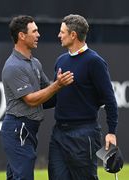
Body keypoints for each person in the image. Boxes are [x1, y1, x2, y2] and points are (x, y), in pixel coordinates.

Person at [0, 15, 74, 180]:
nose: (38, 35)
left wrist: (78, 94)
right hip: (17, 129)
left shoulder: (35, 63)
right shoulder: (13, 66)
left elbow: (48, 95)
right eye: (34, 31)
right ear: (21, 35)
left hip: (28, 130)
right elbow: (32, 100)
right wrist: (58, 85)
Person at [47, 14, 119, 180]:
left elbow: (109, 99)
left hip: (83, 134)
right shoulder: (61, 60)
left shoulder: (94, 62)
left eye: (62, 32)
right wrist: (29, 99)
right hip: (58, 133)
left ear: (73, 35)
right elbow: (55, 98)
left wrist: (112, 132)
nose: (59, 35)